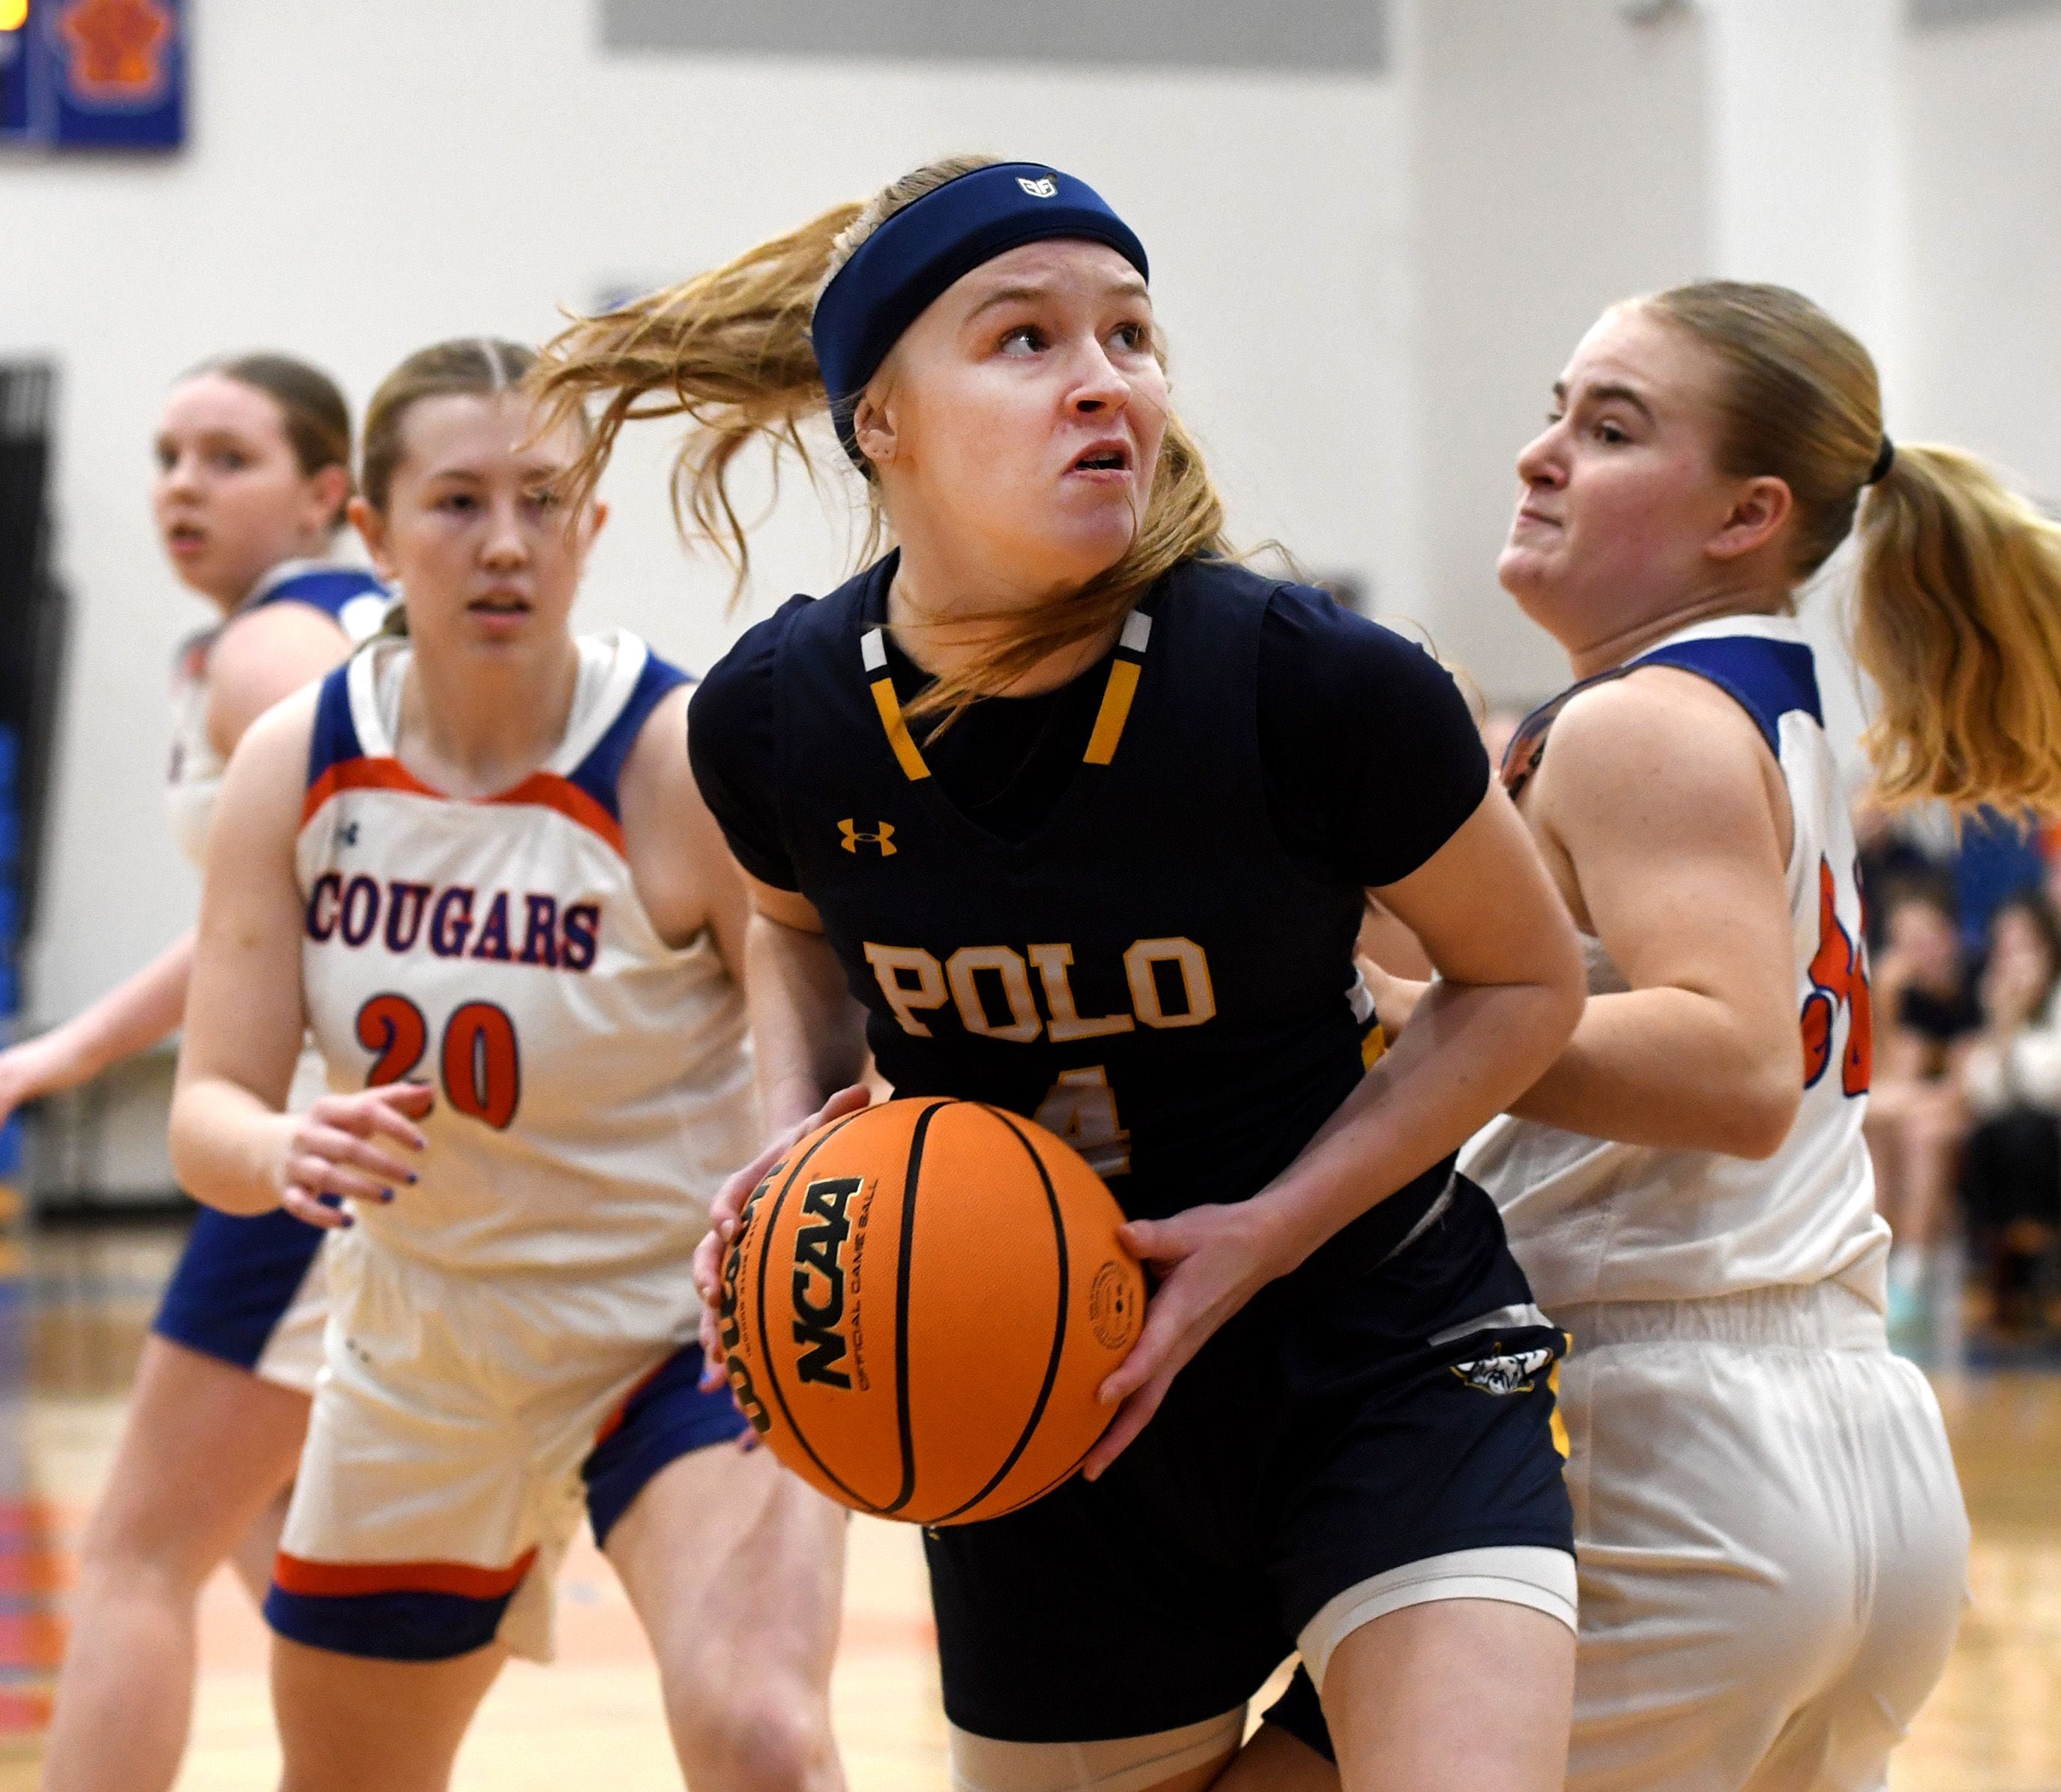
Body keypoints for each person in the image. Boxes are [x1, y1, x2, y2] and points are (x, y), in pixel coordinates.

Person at [532, 156, 1587, 1792]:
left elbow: (1523, 985)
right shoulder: (774, 719)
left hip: (1369, 1345)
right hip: (1027, 1402)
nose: (1103, 380)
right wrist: (798, 1134)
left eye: (1131, 335)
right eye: (1023, 340)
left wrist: (1259, 1232)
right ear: (877, 417)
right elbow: (793, 926)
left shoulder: (1313, 685)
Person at [167, 339, 846, 1792]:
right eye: (458, 500)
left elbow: (830, 1074)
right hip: (425, 1342)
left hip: (675, 1335)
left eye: (544, 500)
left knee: (762, 1734)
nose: (503, 543)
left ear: (591, 527)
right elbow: (205, 1112)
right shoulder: (299, 762)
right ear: (370, 533)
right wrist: (281, 1148)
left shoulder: (674, 759)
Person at [1374, 280, 2018, 1791]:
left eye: (1608, 429)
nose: (1540, 454)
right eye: (1556, 411)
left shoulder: (1637, 722)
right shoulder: (1764, 706)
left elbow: (1732, 1068)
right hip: (1849, 1441)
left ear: (1747, 513)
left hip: (1669, 1443)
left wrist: (1410, 1019)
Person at [36, 353, 385, 1792]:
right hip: (338, 1125)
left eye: (226, 458)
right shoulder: (306, 637)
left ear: (323, 495)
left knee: (131, 1552)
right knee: (268, 1533)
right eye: (169, 455)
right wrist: (69, 1050)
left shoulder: (271, 657)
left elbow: (329, 899)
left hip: (309, 1140)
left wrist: (71, 1049)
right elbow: (262, 915)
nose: (182, 485)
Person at [1865, 881, 1981, 1337]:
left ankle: (1908, 1272)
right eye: (1903, 943)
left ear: (1950, 936)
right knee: (1882, 1134)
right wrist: (1885, 1008)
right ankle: (1877, 1270)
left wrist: (1907, 1100)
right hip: (1908, 1117)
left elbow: (1962, 1089)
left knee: (1921, 1132)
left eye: (1924, 940)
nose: (1915, 955)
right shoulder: (1900, 997)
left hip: (1962, 1120)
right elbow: (1878, 1088)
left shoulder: (1972, 988)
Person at [1960, 893, 2061, 1334]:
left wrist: (2010, 1035)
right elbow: (1985, 1095)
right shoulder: (1993, 999)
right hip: (2008, 1132)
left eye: (2024, 946)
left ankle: (2036, 1266)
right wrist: (2005, 1026)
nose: (2013, 960)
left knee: (2027, 1133)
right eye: (2004, 947)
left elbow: (2048, 1087)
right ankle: (2009, 1270)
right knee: (1987, 1137)